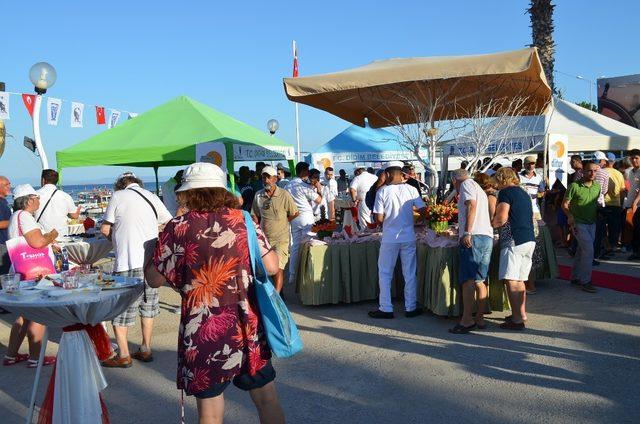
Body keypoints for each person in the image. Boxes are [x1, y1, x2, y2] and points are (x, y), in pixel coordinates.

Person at [143, 162, 285, 424]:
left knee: (210, 411)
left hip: (202, 327)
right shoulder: (244, 221)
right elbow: (272, 266)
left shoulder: (179, 227)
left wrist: (150, 249)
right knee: (266, 398)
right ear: (222, 191)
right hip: (247, 324)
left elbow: (153, 279)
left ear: (188, 193)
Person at [100, 172, 173, 367]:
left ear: (120, 184)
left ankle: (123, 354)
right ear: (138, 183)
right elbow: (168, 223)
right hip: (150, 263)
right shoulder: (151, 196)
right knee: (148, 307)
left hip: (126, 262)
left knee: (121, 309)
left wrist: (116, 240)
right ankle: (146, 348)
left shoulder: (117, 196)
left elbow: (105, 229)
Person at [3, 184, 57, 367]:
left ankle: (11, 355)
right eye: (37, 197)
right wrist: (51, 236)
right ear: (29, 200)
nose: (39, 200)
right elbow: (37, 242)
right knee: (37, 313)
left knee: (23, 315)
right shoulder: (25, 217)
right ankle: (36, 358)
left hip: (20, 270)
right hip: (32, 274)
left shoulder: (15, 216)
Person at [369, 161, 426, 319]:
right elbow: (423, 210)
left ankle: (386, 308)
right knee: (409, 273)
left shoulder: (383, 191)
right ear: (401, 173)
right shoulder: (412, 189)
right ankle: (411, 307)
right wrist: (414, 221)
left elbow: (379, 218)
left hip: (389, 238)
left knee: (385, 273)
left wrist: (387, 221)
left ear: (387, 174)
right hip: (408, 236)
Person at [448, 169, 494, 333]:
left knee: (468, 279)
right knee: (480, 280)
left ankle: (467, 319)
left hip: (474, 236)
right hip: (486, 236)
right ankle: (479, 318)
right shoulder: (477, 187)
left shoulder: (467, 184)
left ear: (455, 180)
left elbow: (471, 206)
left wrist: (467, 231)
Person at [491, 168, 535, 330]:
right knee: (520, 279)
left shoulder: (505, 193)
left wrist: (490, 224)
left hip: (513, 239)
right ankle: (521, 313)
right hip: (528, 238)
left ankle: (517, 319)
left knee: (511, 280)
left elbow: (501, 218)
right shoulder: (523, 193)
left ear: (502, 179)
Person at [253, 166, 299, 293]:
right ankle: (279, 292)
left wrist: (284, 222)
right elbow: (255, 215)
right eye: (263, 177)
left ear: (275, 178)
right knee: (269, 268)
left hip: (281, 238)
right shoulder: (258, 195)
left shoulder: (284, 194)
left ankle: (276, 298)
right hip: (265, 239)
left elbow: (295, 212)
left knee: (278, 267)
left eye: (268, 177)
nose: (266, 180)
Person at [562, 161, 600, 293]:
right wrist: (570, 216)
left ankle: (575, 277)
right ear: (583, 171)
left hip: (592, 223)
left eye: (595, 171)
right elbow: (564, 205)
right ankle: (586, 281)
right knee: (589, 250)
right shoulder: (574, 186)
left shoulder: (597, 186)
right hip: (578, 223)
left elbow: (594, 203)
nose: (592, 173)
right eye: (589, 170)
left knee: (581, 250)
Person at [285, 162, 322, 285]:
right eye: (307, 171)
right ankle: (311, 271)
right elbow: (319, 200)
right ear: (303, 172)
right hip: (306, 217)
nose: (308, 173)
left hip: (294, 217)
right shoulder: (302, 186)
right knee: (312, 243)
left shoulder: (288, 186)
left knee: (295, 246)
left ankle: (292, 274)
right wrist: (319, 188)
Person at [35, 169, 81, 236]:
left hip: (41, 235)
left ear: (43, 180)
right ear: (56, 181)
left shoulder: (34, 195)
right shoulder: (65, 196)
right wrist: (77, 211)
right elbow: (74, 216)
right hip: (61, 234)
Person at [602, 152, 625, 256]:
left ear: (605, 161)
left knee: (602, 226)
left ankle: (605, 246)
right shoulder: (619, 173)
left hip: (603, 204)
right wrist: (621, 204)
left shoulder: (601, 172)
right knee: (614, 227)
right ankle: (612, 246)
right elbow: (622, 191)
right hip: (616, 204)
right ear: (614, 162)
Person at [625, 149, 640, 260]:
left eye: (636, 158)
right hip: (631, 204)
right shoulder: (630, 171)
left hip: (638, 205)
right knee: (634, 229)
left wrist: (634, 203)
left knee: (638, 229)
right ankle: (636, 252)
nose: (634, 160)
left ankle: (637, 252)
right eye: (632, 158)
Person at [0, 176, 12, 275]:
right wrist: (15, 221)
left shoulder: (3, 201)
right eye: (6, 185)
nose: (9, 187)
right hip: (2, 245)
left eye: (9, 184)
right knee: (4, 275)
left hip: (5, 243)